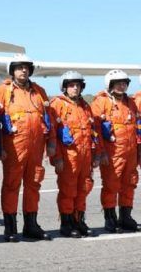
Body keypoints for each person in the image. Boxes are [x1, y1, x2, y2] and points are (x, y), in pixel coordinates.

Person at [0, 55, 56, 242]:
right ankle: (10, 227)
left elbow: (49, 119)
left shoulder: (39, 92)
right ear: (12, 70)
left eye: (26, 67)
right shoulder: (2, 91)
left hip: (36, 148)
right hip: (14, 148)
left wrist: (51, 142)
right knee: (12, 185)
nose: (23, 70)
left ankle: (31, 225)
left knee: (33, 185)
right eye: (19, 67)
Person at [49, 71, 100, 238]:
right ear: (65, 87)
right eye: (71, 85)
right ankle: (66, 223)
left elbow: (94, 132)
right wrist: (56, 158)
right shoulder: (57, 105)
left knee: (84, 188)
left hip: (85, 156)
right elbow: (52, 134)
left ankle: (79, 220)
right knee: (68, 190)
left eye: (78, 85)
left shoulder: (86, 106)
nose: (75, 88)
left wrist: (95, 154)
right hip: (68, 157)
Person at [91, 70, 139, 233]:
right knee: (111, 185)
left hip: (130, 153)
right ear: (110, 85)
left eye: (124, 83)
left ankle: (125, 216)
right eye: (118, 83)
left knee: (130, 184)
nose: (122, 86)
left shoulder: (131, 102)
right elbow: (95, 130)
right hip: (112, 153)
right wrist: (101, 152)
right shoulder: (101, 102)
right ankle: (110, 218)